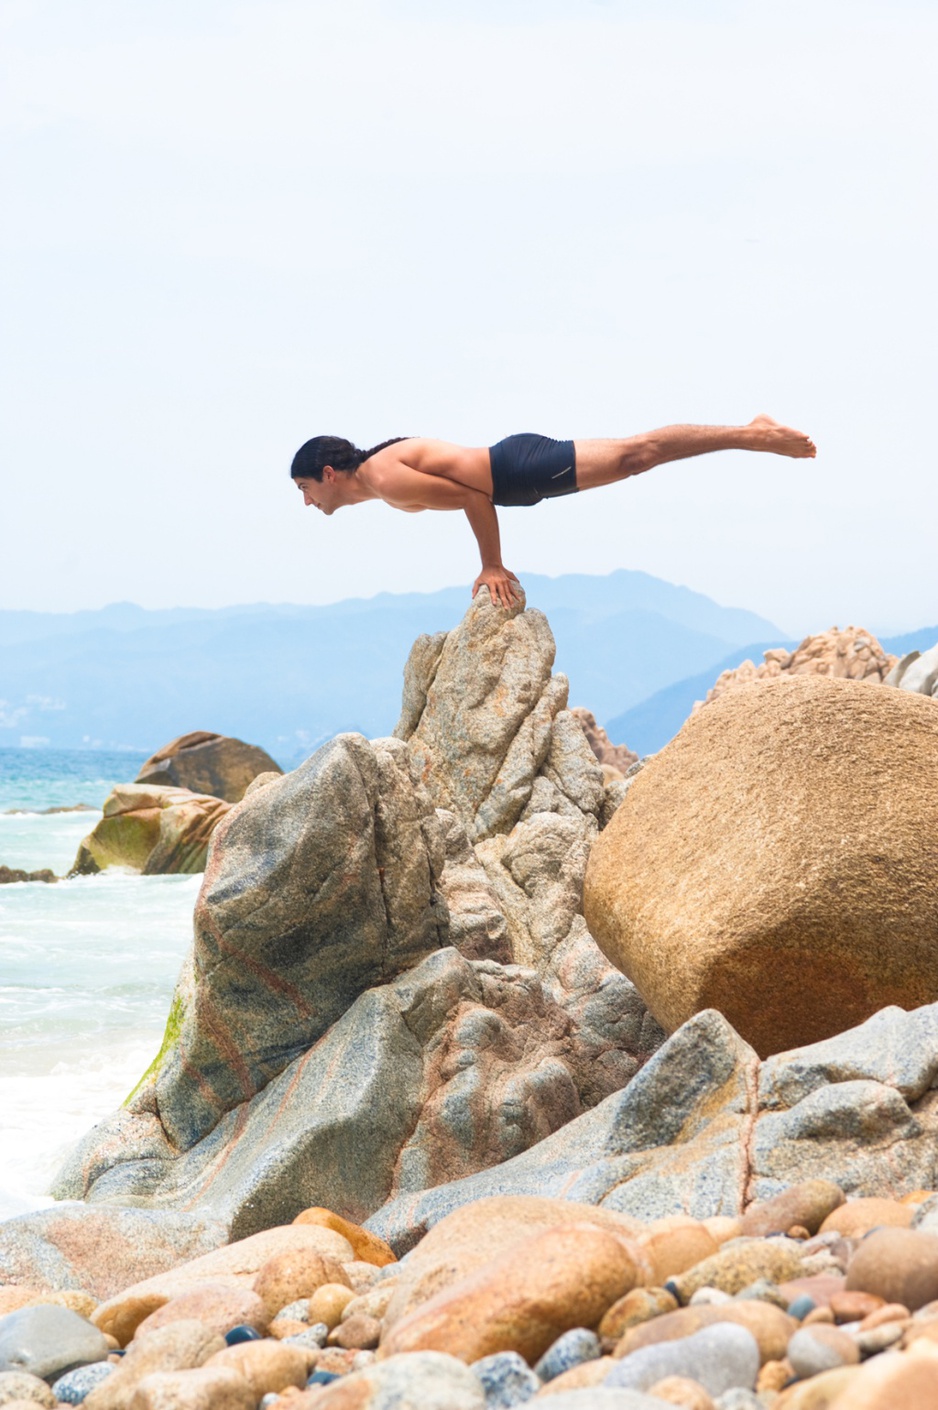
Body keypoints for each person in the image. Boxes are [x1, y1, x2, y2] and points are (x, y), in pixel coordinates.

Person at [290, 416, 816, 608]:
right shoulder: (382, 481)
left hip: (520, 470)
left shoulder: (384, 477)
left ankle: (753, 434)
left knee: (639, 455)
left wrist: (492, 565)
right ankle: (751, 434)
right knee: (637, 456)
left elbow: (475, 496)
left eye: (305, 487)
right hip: (518, 474)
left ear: (328, 474)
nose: (307, 500)